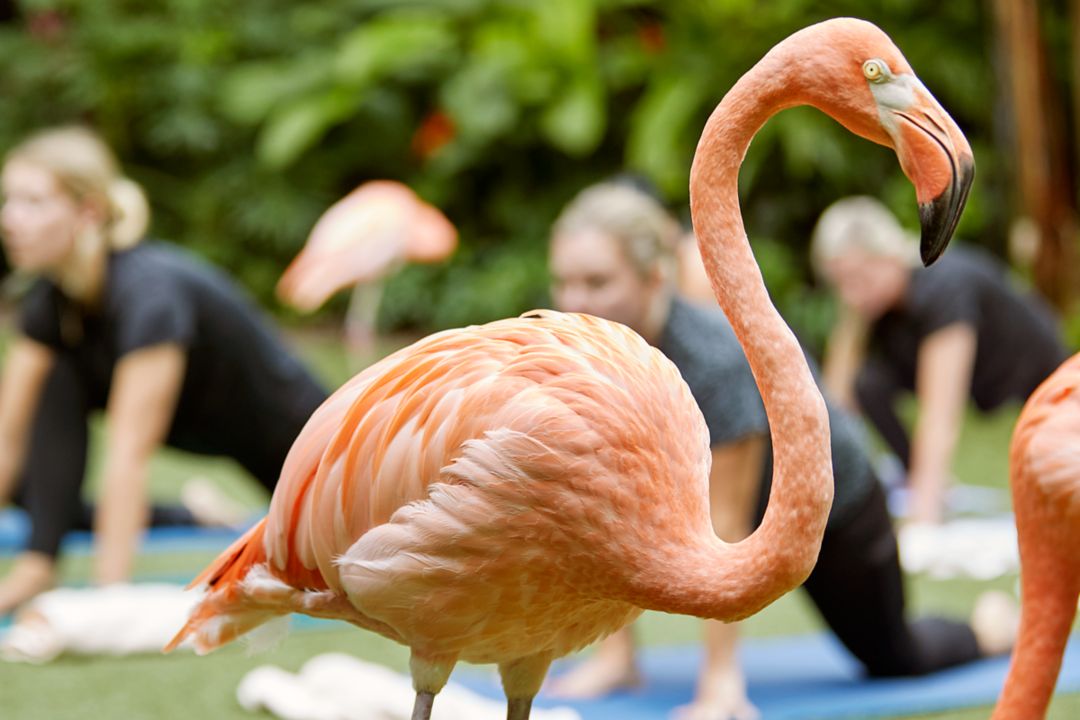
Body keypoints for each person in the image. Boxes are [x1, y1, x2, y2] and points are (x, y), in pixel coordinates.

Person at [546, 182, 1016, 720]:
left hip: (835, 508)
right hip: (757, 501)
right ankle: (620, 660)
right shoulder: (598, 356)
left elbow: (726, 526)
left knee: (894, 657)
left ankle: (989, 627)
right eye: (564, 282)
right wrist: (614, 655)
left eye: (598, 282)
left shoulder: (709, 359)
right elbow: (616, 512)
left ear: (655, 276)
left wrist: (721, 683)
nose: (574, 302)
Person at [0, 126, 328, 614]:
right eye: (8, 200)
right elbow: (8, 439)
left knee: (341, 567)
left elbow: (129, 456)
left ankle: (179, 530)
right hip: (214, 435)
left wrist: (108, 603)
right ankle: (37, 565)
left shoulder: (148, 292)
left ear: (88, 211)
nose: (9, 219)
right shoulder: (50, 304)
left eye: (32, 202)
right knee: (50, 398)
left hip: (299, 442)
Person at [812, 196, 1068, 524]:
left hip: (1035, 371)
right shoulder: (877, 306)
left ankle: (928, 490)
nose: (850, 295)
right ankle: (916, 480)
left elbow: (940, 414)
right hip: (979, 372)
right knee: (869, 383)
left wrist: (924, 517)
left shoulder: (943, 286)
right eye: (841, 284)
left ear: (889, 255)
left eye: (860, 277)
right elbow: (838, 401)